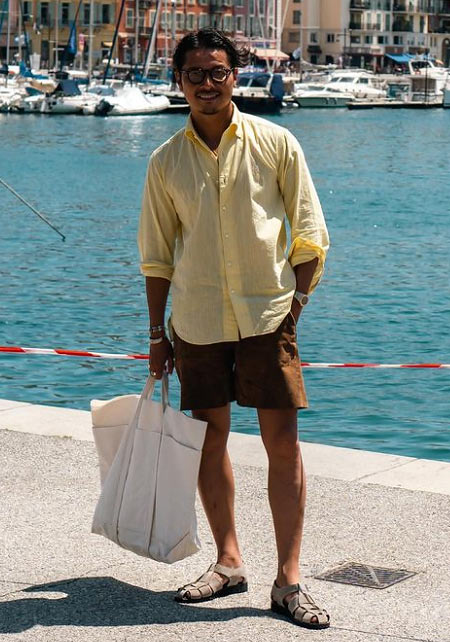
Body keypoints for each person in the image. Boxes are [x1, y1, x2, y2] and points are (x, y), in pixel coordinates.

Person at [138, 28, 330, 630]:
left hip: (268, 316)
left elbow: (309, 235)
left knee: (283, 445)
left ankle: (289, 580)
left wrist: (295, 308)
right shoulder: (165, 161)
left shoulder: (277, 143)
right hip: (196, 320)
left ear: (235, 75)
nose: (207, 84)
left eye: (217, 71)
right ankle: (229, 562)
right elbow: (156, 257)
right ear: (179, 81)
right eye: (194, 73)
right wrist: (156, 336)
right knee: (208, 440)